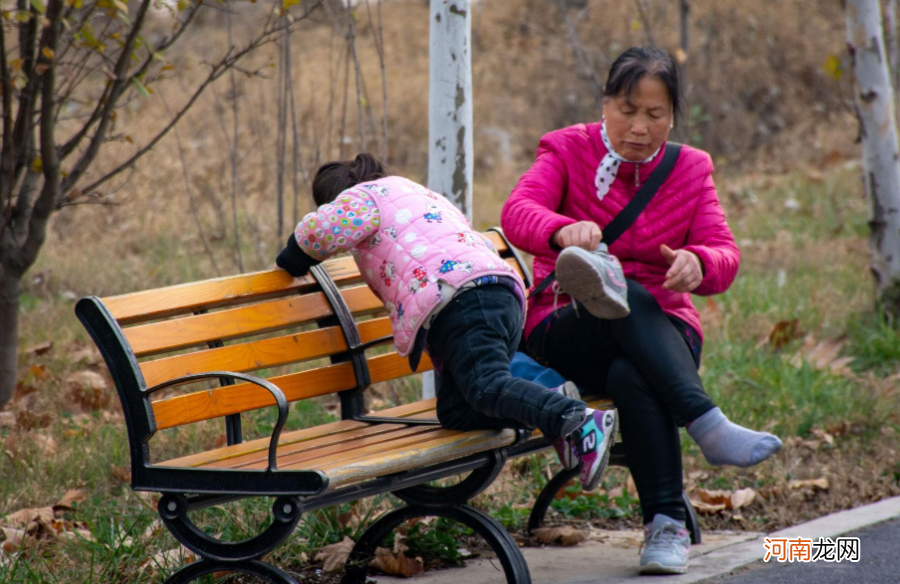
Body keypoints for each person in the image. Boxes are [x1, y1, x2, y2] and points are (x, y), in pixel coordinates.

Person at [500, 46, 782, 575]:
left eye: (655, 114)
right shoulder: (564, 150)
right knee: (622, 292)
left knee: (634, 366)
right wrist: (560, 229)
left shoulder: (691, 169)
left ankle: (665, 531)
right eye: (627, 110)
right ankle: (706, 424)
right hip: (568, 328)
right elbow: (516, 213)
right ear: (604, 103)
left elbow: (725, 253)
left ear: (672, 115)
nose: (639, 127)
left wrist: (699, 264)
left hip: (663, 336)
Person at [275, 153, 617, 490]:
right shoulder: (419, 194)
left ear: (334, 197)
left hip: (465, 299)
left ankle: (576, 420)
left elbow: (322, 231)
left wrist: (293, 259)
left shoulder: (364, 196)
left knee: (485, 386)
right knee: (458, 412)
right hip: (497, 293)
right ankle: (549, 407)